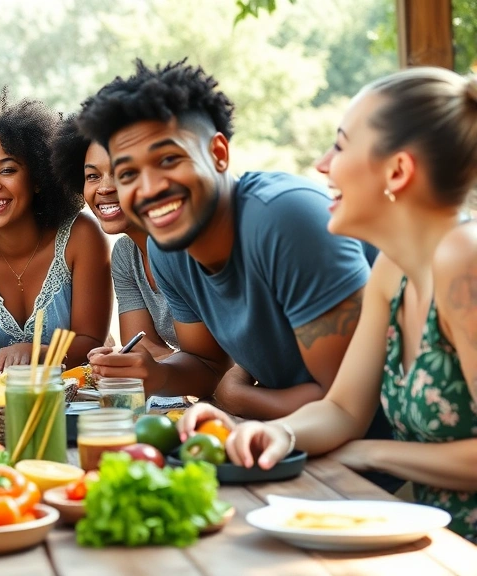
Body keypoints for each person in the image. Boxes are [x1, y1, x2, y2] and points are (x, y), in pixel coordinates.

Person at [182, 68, 477, 541]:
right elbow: (342, 408)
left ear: (397, 171)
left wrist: (370, 453)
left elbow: (357, 437)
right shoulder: (392, 270)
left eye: (340, 146)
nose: (322, 164)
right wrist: (283, 435)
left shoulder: (466, 260)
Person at [76, 60, 379, 424]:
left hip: (377, 458)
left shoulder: (286, 218)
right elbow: (206, 362)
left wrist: (236, 396)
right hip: (285, 438)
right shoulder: (166, 247)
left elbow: (343, 405)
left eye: (168, 159)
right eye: (128, 173)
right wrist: (155, 375)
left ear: (218, 154)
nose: (149, 187)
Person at [0, 95, 112, 380]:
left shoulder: (82, 235)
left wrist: (37, 352)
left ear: (39, 178)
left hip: (73, 398)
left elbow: (91, 341)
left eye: (7, 170)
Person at [52, 115, 177, 359]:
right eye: (92, 176)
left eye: (122, 173)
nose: (105, 188)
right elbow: (144, 347)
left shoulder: (187, 247)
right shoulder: (125, 255)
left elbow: (217, 357)